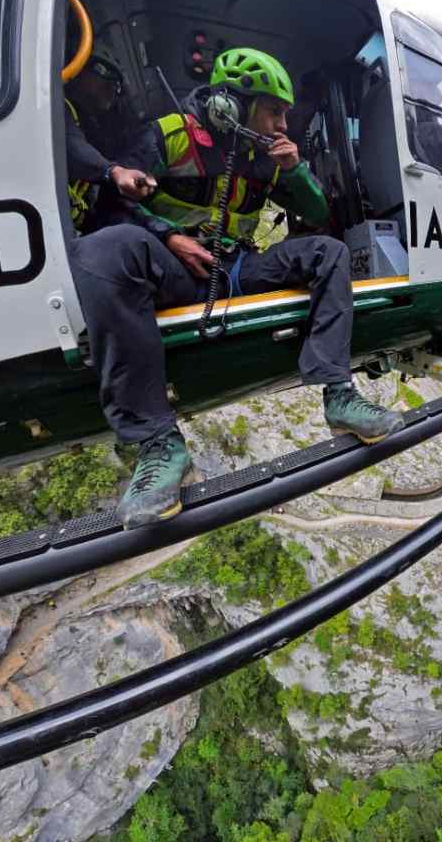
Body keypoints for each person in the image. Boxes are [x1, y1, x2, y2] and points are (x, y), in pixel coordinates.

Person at [70, 47, 403, 530]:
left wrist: (296, 172)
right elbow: (108, 204)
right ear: (233, 104)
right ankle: (159, 445)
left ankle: (338, 394)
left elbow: (315, 217)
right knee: (102, 250)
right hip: (179, 267)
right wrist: (168, 236)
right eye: (275, 111)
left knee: (327, 251)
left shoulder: (267, 158)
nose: (284, 124)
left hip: (239, 265)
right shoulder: (170, 136)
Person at [63, 51, 156, 228]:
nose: (111, 84)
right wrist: (114, 172)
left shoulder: (100, 133)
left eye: (117, 81)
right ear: (79, 71)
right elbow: (70, 146)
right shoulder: (59, 110)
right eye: (103, 71)